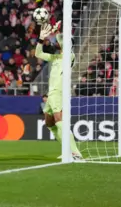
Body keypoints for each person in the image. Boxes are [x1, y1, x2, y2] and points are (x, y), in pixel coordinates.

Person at [36, 22, 83, 161]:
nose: (55, 42)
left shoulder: (70, 56)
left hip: (59, 91)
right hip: (51, 92)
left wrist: (55, 32)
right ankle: (67, 150)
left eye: (58, 41)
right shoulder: (55, 58)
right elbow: (38, 53)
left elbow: (60, 41)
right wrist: (41, 39)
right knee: (49, 123)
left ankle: (76, 153)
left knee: (58, 119)